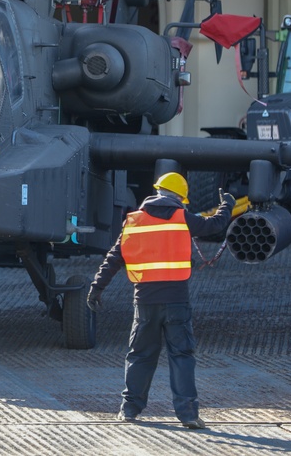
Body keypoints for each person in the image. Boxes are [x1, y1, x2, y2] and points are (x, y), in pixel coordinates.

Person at [86, 172, 235, 429]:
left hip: (144, 303)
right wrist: (228, 205)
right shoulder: (183, 218)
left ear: (157, 192)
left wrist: (96, 289)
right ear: (179, 198)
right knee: (182, 356)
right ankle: (188, 415)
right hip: (177, 302)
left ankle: (130, 410)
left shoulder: (134, 221)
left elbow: (114, 258)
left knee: (140, 355)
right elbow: (213, 225)